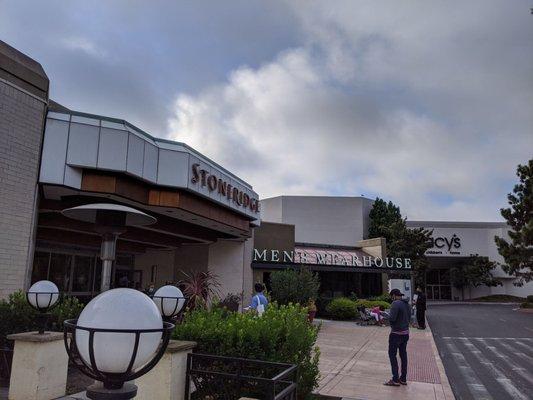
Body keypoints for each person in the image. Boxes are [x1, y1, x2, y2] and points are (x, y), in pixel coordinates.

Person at [384, 288, 411, 387]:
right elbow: (409, 317)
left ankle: (395, 379)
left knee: (392, 355)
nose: (392, 299)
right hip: (405, 333)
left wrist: (386, 316)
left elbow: (392, 318)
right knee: (403, 355)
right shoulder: (407, 304)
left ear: (394, 295)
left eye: (392, 297)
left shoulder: (395, 304)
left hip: (396, 334)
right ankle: (403, 378)